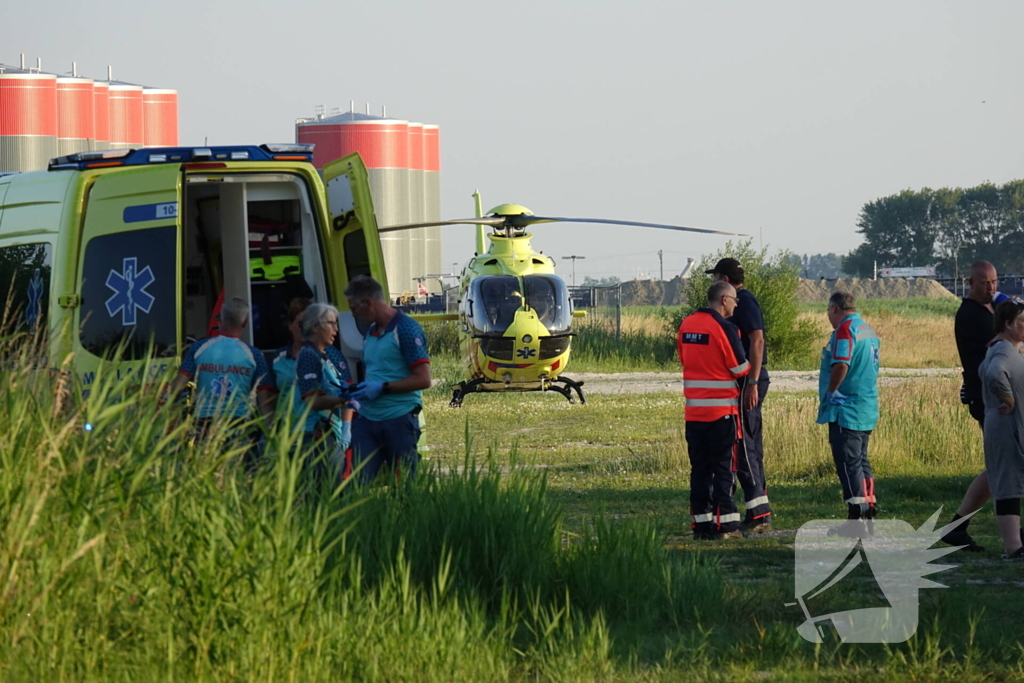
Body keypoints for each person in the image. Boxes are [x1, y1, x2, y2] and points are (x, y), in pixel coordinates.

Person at [678, 280, 750, 540]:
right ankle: (727, 526)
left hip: (694, 412)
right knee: (723, 468)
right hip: (722, 412)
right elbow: (740, 369)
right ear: (723, 300)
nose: (736, 303)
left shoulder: (687, 324)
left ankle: (701, 525)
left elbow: (684, 359)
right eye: (734, 299)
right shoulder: (724, 327)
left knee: (699, 470)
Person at [165, 296, 275, 468]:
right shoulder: (255, 355)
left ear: (219, 319)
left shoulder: (198, 348)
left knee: (206, 475)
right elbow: (265, 403)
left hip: (205, 427)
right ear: (245, 322)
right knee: (240, 476)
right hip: (239, 426)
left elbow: (176, 387)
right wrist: (270, 437)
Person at [707, 257, 772, 533]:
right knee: (748, 445)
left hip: (748, 381)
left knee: (744, 446)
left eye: (715, 277)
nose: (712, 282)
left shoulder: (743, 301)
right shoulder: (739, 301)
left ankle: (758, 514)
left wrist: (752, 383)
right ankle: (757, 509)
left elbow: (757, 340)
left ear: (724, 279)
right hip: (745, 380)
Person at [346, 275, 431, 485]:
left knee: (404, 487)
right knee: (354, 483)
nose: (352, 313)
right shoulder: (370, 332)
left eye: (354, 308)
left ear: (368, 303)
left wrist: (382, 388)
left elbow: (423, 379)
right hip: (368, 419)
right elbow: (374, 371)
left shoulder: (405, 330)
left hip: (398, 419)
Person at [942, 261, 998, 551]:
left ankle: (956, 527)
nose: (990, 288)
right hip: (990, 399)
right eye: (984, 283)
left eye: (993, 282)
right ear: (970, 283)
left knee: (1001, 467)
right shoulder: (971, 315)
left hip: (993, 396)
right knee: (1002, 466)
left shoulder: (989, 311)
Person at [816, 292, 881, 524]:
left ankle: (857, 515)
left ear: (834, 308)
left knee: (848, 465)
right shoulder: (867, 330)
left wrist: (832, 390)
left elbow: (841, 363)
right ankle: (869, 508)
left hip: (847, 410)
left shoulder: (845, 330)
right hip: (866, 408)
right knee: (862, 462)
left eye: (827, 311)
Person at [978, 299, 1024, 559]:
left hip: (1007, 425)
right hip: (1007, 426)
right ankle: (1013, 546)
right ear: (1008, 324)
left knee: (1014, 480)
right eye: (1022, 323)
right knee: (1007, 483)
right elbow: (996, 374)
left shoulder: (1004, 347)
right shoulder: (1003, 350)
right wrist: (1008, 400)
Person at [294, 303, 356, 482]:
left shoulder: (323, 356)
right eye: (331, 323)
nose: (336, 329)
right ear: (315, 326)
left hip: (328, 432)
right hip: (315, 435)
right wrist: (345, 399)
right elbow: (312, 401)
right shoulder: (308, 355)